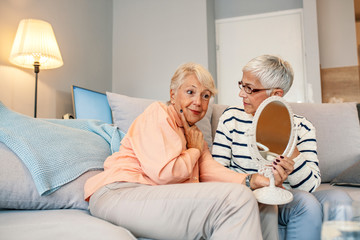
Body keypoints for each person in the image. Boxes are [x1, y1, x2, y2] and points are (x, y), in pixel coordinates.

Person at [84, 62, 276, 240]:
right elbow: (165, 173)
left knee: (264, 201)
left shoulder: (194, 133)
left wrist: (252, 180)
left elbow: (208, 170)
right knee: (237, 198)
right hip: (120, 191)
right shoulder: (158, 113)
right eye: (190, 92)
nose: (198, 102)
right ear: (173, 94)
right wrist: (193, 150)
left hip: (150, 196)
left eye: (205, 95)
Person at [212, 55, 352, 240]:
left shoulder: (302, 127)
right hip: (248, 194)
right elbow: (215, 172)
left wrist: (289, 146)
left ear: (276, 94)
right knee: (306, 204)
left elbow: (310, 186)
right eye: (242, 85)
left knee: (341, 200)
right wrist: (251, 181)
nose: (241, 94)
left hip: (287, 195)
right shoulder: (231, 119)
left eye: (250, 89)